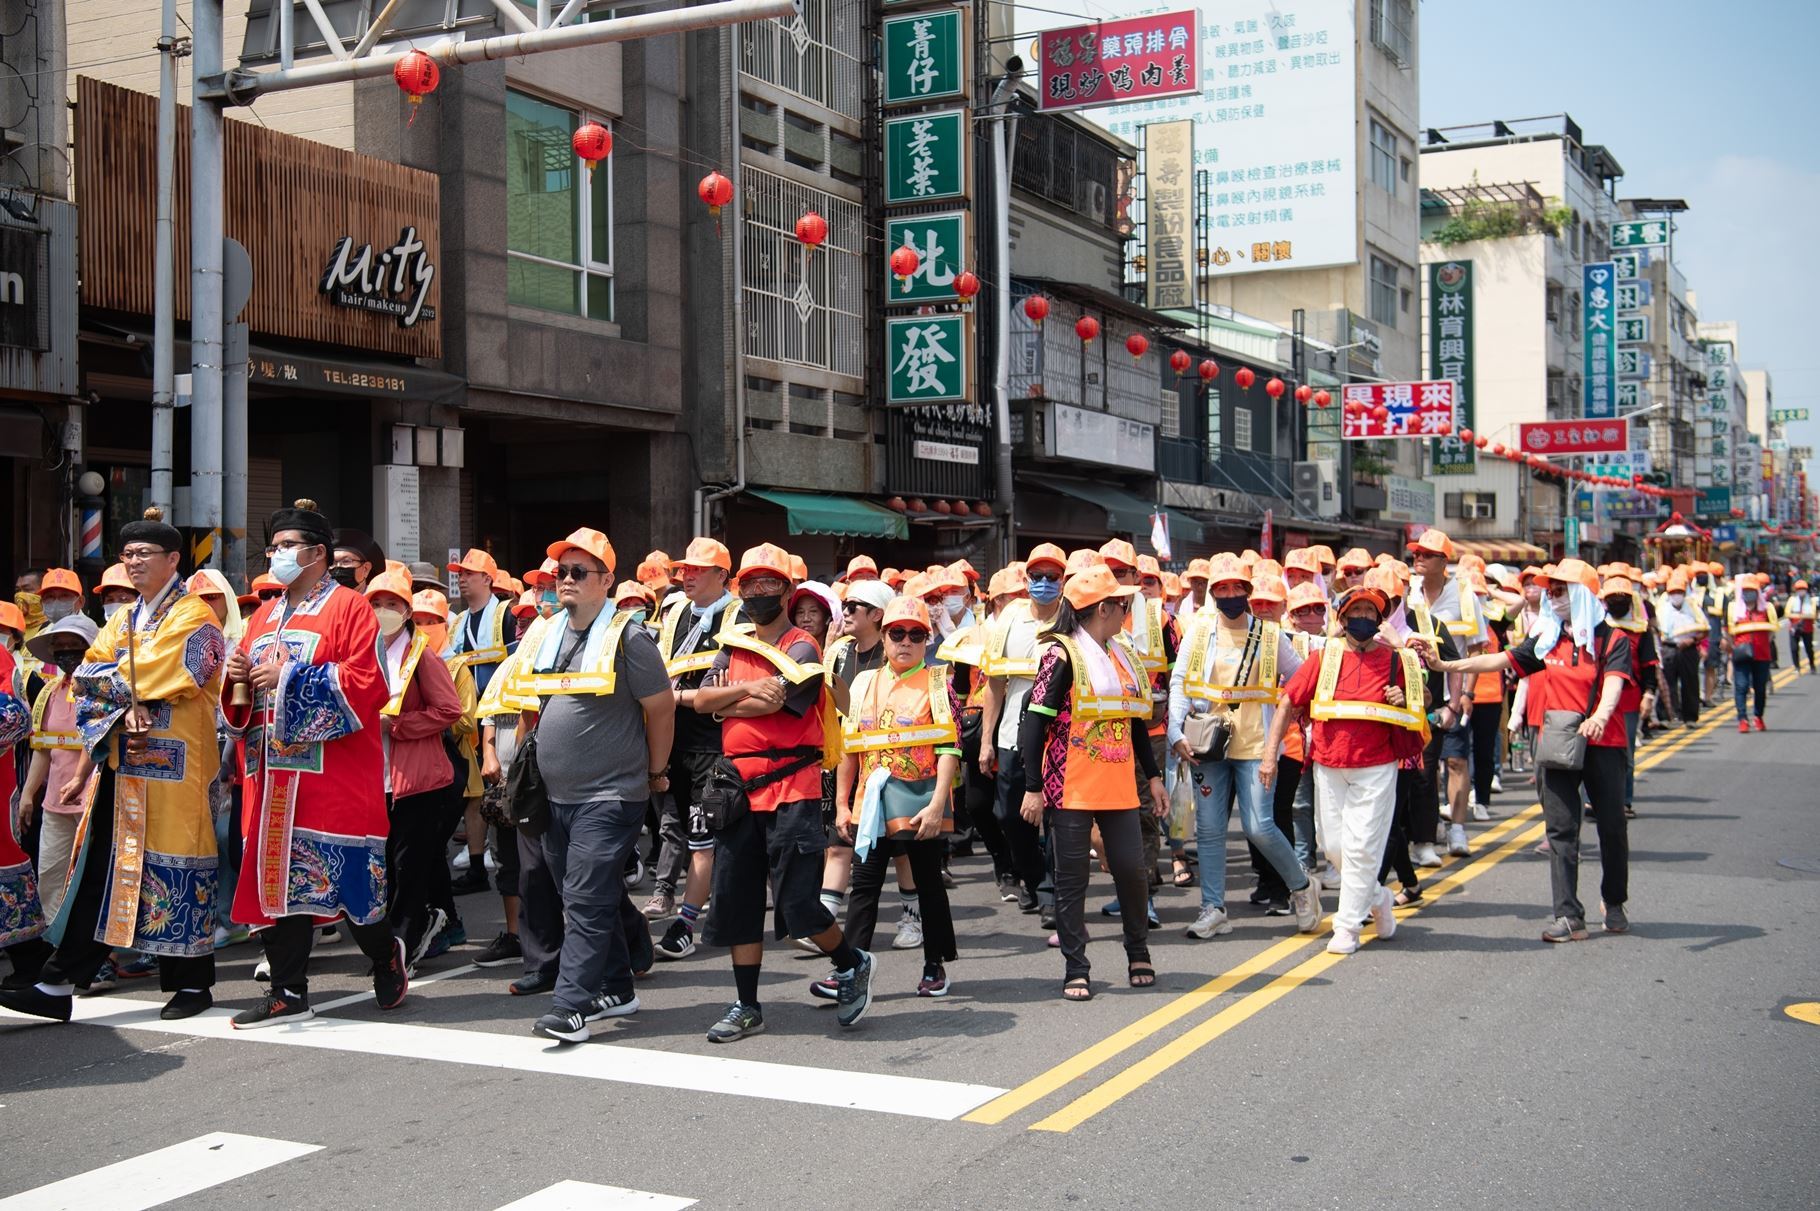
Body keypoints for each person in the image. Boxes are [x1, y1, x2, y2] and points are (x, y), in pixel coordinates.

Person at [0, 509, 225, 1025]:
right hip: (124, 761)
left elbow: (175, 672)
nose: (134, 562)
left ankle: (191, 983)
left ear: (174, 560)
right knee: (105, 868)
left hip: (177, 764)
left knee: (174, 864)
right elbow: (86, 675)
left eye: (144, 553)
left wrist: (117, 686)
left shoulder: (196, 617)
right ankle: (58, 981)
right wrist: (126, 694)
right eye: (128, 554)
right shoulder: (123, 619)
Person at [223, 499, 409, 1027]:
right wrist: (238, 674)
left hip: (332, 776)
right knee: (279, 884)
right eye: (273, 547)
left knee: (351, 886)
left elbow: (369, 684)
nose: (276, 556)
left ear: (318, 553)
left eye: (286, 547)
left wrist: (290, 678)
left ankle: (382, 952)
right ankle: (289, 990)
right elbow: (244, 699)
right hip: (271, 775)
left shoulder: (350, 607)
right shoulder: (264, 614)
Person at [690, 543, 873, 1042]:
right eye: (750, 583)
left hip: (792, 786)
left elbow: (782, 705)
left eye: (769, 583)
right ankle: (747, 1006)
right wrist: (733, 699)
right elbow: (705, 699)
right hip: (736, 788)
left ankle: (851, 960)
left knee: (798, 905)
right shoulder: (734, 644)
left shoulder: (802, 646)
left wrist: (726, 703)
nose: (758, 591)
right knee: (736, 899)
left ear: (787, 591)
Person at [517, 528, 673, 1043]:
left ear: (607, 580)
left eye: (578, 572)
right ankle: (619, 980)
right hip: (555, 793)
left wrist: (653, 773)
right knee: (581, 890)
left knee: (582, 898)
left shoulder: (630, 637)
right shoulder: (544, 631)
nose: (566, 580)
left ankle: (570, 1006)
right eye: (561, 572)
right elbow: (531, 704)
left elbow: (660, 709)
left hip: (612, 794)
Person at [1421, 559, 1632, 941]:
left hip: (1604, 743)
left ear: (1582, 593)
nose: (1553, 598)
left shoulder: (1613, 640)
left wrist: (1600, 715)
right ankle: (1569, 916)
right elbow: (1499, 659)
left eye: (1559, 591)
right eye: (1550, 592)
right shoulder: (1548, 637)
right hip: (1557, 741)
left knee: (1612, 828)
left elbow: (1614, 686)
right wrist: (1446, 663)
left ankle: (1614, 901)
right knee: (1561, 830)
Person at [1019, 565, 1166, 1000]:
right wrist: (1033, 787)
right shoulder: (1060, 654)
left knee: (1131, 870)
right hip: (1070, 784)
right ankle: (1075, 966)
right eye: (1122, 605)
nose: (1126, 612)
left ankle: (1137, 949)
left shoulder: (1122, 654)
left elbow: (1135, 721)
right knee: (1071, 880)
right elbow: (1034, 724)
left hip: (1119, 782)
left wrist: (1153, 777)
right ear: (1104, 608)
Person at [1264, 583, 1427, 955]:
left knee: (1361, 849)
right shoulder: (1325, 657)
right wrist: (1269, 754)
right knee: (1333, 846)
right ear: (1343, 618)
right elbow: (1289, 700)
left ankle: (1347, 926)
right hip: (1328, 763)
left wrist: (1403, 699)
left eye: (1372, 614)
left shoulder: (1395, 660)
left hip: (1377, 766)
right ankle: (1378, 898)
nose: (1364, 620)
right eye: (1358, 613)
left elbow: (1423, 700)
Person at [1167, 554, 1318, 940]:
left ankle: (1301, 888)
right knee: (1210, 828)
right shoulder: (1199, 633)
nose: (1231, 594)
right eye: (1223, 588)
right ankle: (1213, 908)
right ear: (1213, 593)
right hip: (1209, 745)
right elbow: (1181, 683)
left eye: (1238, 588)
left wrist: (1287, 716)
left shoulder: (1270, 635)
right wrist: (1175, 732)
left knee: (1259, 826)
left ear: (1248, 592)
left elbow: (1301, 679)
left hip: (1256, 746)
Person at [830, 595, 961, 999]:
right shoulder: (864, 681)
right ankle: (849, 970)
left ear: (927, 640)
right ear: (884, 637)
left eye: (916, 634)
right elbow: (850, 748)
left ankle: (934, 964)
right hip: (871, 801)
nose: (906, 641)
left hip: (918, 799)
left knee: (927, 882)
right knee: (864, 885)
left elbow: (950, 749)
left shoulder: (939, 682)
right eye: (897, 633)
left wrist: (939, 803)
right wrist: (841, 802)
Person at [365, 568, 466, 972]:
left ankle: (399, 948)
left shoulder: (420, 653)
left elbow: (449, 709)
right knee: (383, 865)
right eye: (376, 603)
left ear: (407, 611)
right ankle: (422, 925)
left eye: (392, 604)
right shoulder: (357, 651)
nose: (383, 611)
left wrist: (399, 725)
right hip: (371, 779)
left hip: (416, 781)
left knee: (409, 866)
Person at [648, 537, 740, 961]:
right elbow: (665, 674)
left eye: (698, 569)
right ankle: (696, 901)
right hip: (675, 739)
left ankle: (686, 922)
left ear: (722, 575)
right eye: (685, 569)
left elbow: (723, 690)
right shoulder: (676, 613)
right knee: (675, 827)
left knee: (705, 838)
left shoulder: (736, 613)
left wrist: (684, 699)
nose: (687, 576)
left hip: (715, 742)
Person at [980, 543, 1068, 923]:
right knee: (1011, 817)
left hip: (1059, 738)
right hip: (1013, 736)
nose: (1044, 584)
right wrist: (986, 740)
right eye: (1037, 577)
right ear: (1027, 579)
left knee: (1058, 821)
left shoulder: (1074, 617)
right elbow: (993, 684)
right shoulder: (1010, 619)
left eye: (1052, 577)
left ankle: (1052, 894)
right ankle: (1035, 880)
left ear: (1063, 581)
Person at [1405, 529, 1482, 862]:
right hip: (1418, 692)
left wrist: (1467, 692)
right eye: (1416, 554)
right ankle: (1429, 824)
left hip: (1455, 690)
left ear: (1443, 561)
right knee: (1423, 765)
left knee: (1455, 760)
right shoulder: (1409, 593)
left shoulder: (1463, 594)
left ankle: (1458, 828)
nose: (1418, 559)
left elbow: (1477, 648)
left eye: (1426, 554)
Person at [19, 614, 100, 920]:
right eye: (61, 646)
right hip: (55, 805)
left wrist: (81, 778)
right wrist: (29, 795)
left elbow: (99, 742)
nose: (67, 652)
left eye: (75, 645)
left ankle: (104, 957)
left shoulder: (102, 690)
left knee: (93, 879)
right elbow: (42, 748)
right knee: (51, 877)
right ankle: (56, 948)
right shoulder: (50, 693)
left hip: (94, 801)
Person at [1601, 574, 1655, 819]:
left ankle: (1625, 801)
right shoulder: (1596, 627)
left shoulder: (1641, 630)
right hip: (1599, 699)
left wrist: (1649, 695)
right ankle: (1595, 800)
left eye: (1623, 598)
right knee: (1596, 752)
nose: (1618, 601)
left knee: (1626, 753)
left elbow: (1649, 665)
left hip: (1630, 699)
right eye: (1613, 598)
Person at [1654, 568, 1706, 725]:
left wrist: (1692, 641)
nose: (1676, 595)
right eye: (1673, 592)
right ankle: (1665, 716)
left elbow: (1704, 629)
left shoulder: (1693, 606)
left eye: (1679, 591)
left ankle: (1690, 717)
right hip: (1668, 648)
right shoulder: (1662, 607)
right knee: (1667, 682)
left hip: (1688, 648)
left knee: (1690, 682)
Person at [1728, 574, 1777, 732]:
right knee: (1741, 686)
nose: (1749, 593)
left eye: (1752, 590)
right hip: (1741, 654)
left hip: (1762, 654)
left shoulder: (1767, 608)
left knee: (1760, 687)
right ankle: (1742, 718)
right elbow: (1729, 631)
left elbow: (1772, 631)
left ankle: (1758, 716)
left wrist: (1760, 642)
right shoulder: (1734, 609)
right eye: (1746, 590)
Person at [1785, 578, 1816, 673]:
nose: (1801, 591)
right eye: (1799, 589)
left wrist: (1799, 615)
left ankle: (1812, 665)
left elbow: (1813, 615)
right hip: (1794, 628)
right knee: (1794, 648)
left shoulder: (1811, 600)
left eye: (1803, 589)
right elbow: (1787, 613)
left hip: (1807, 628)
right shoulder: (1792, 600)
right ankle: (1796, 666)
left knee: (1809, 648)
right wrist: (1801, 616)